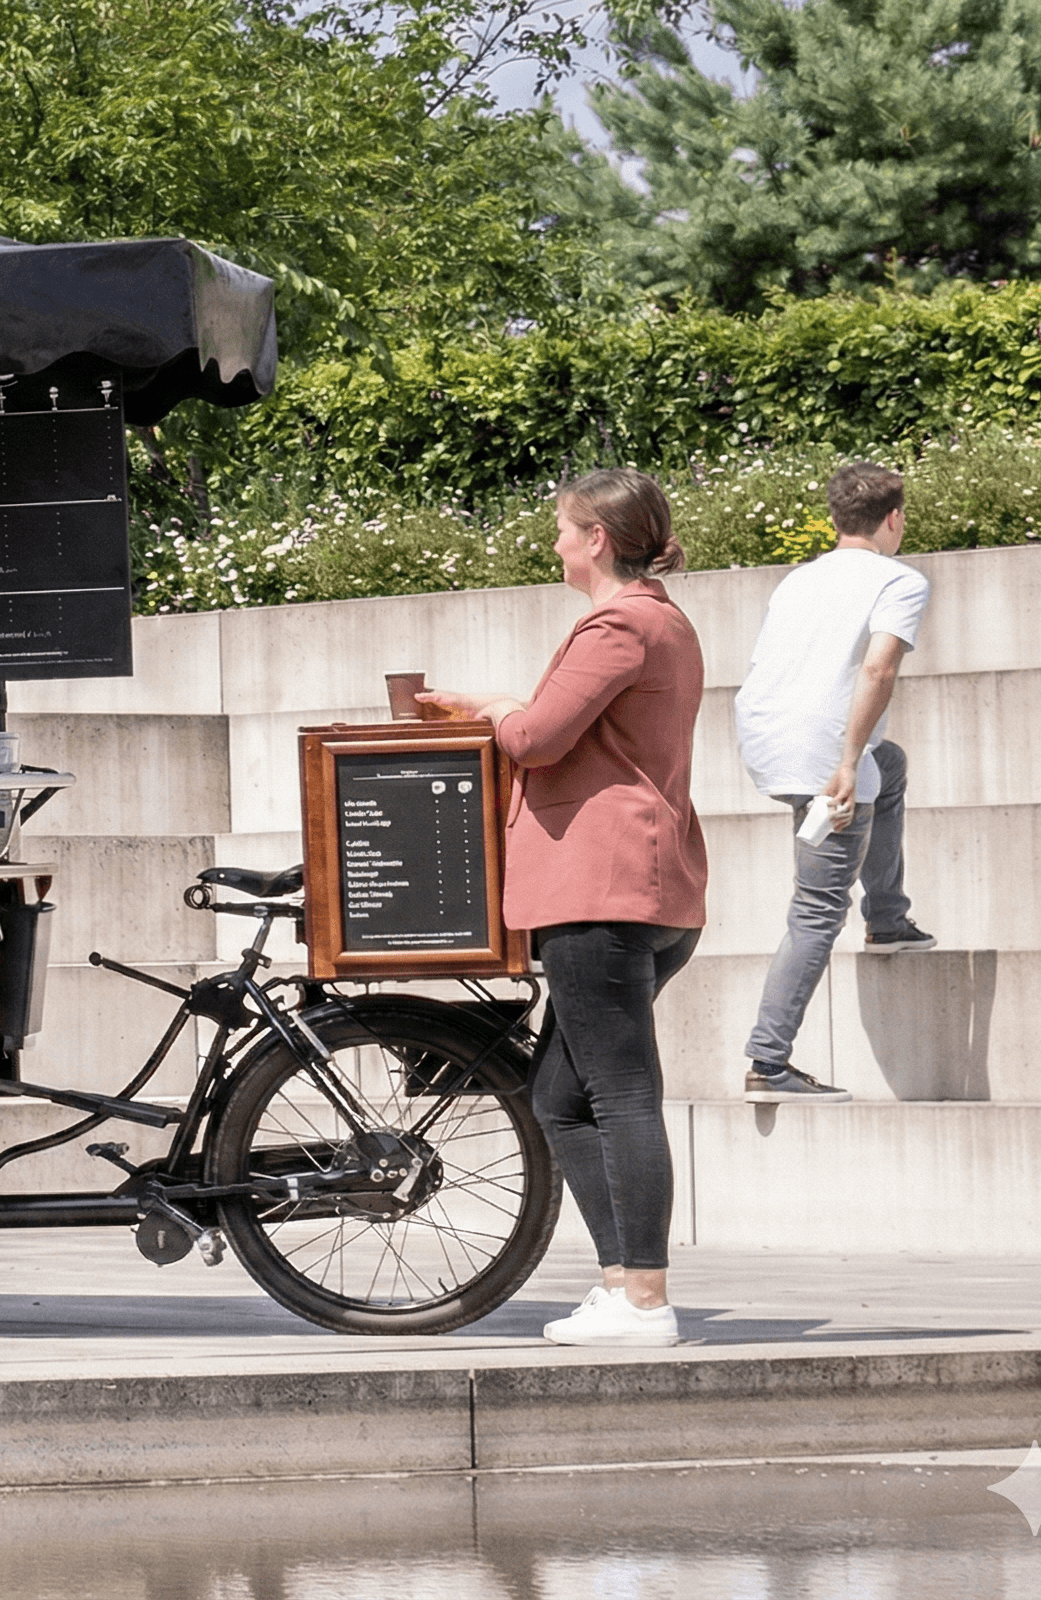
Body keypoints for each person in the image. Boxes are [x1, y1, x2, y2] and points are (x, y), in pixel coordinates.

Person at [421, 470, 707, 1348]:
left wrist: (499, 706)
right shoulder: (660, 620)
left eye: (562, 528)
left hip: (604, 885)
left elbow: (540, 737)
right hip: (642, 887)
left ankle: (647, 1299)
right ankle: (623, 1284)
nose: (553, 542)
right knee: (559, 1098)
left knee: (619, 1091)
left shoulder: (622, 621)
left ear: (597, 539)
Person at [730, 462, 935, 1105]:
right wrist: (847, 762)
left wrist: (861, 758)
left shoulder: (798, 579)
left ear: (837, 518)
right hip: (823, 750)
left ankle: (889, 917)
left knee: (890, 765)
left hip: (765, 733)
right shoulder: (901, 580)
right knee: (817, 910)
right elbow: (877, 669)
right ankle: (769, 1060)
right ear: (894, 518)